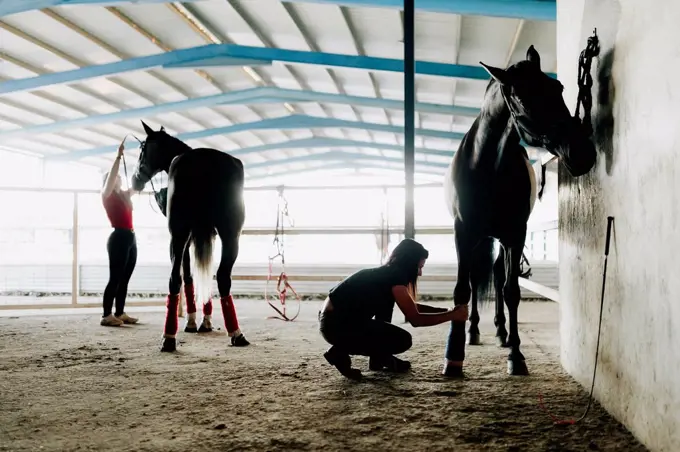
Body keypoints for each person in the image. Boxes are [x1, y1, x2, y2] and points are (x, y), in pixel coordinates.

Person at [319, 238, 469, 380]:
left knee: (385, 317)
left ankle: (378, 359)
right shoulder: (396, 278)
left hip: (333, 322)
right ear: (410, 263)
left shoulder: (386, 275)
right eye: (419, 267)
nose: (420, 273)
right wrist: (451, 316)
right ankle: (339, 352)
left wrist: (448, 310)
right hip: (337, 326)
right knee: (402, 340)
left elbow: (412, 306)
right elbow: (415, 319)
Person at [99, 140, 139, 327]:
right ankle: (106, 315)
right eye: (116, 178)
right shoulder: (107, 195)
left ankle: (120, 312)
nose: (119, 179)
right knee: (115, 277)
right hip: (118, 238)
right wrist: (118, 156)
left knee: (125, 278)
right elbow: (113, 174)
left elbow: (138, 185)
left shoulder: (123, 196)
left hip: (130, 237)